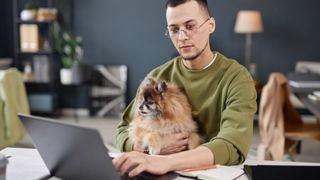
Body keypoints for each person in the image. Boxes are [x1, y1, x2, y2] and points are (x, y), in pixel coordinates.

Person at [113, 0, 257, 177]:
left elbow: (232, 145)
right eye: (174, 29)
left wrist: (165, 161)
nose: (182, 37)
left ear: (210, 25)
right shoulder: (156, 77)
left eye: (190, 26)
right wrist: (148, 148)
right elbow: (123, 130)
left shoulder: (237, 78)